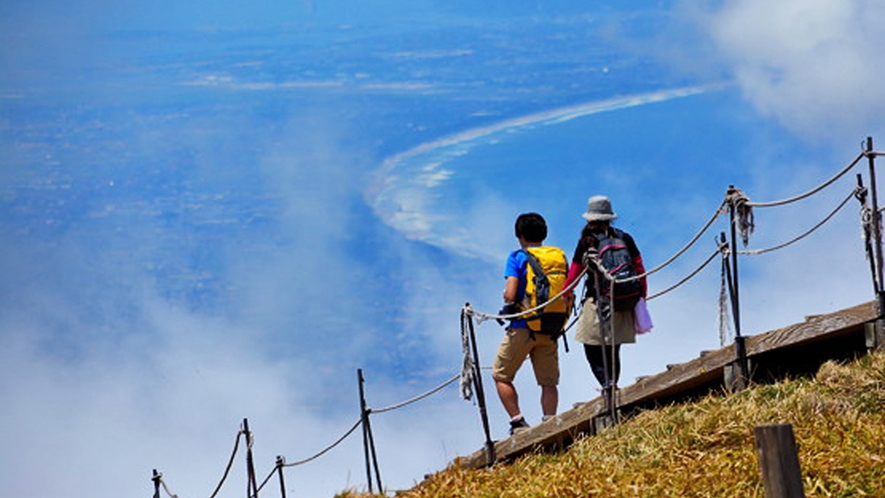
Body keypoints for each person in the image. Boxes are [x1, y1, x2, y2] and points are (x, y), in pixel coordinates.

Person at [562, 195, 647, 401]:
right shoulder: (625, 237)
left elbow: (574, 272)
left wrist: (566, 293)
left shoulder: (588, 241)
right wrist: (642, 299)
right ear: (610, 217)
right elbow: (640, 268)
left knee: (590, 345)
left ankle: (606, 385)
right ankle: (612, 385)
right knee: (613, 349)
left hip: (598, 301)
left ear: (589, 218)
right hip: (624, 300)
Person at [492, 212, 565, 435]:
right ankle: (550, 422)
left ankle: (518, 422)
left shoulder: (517, 258)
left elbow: (512, 293)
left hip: (523, 327)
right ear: (544, 233)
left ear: (519, 235)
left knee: (501, 374)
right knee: (548, 382)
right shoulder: (557, 257)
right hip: (550, 326)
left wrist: (507, 297)